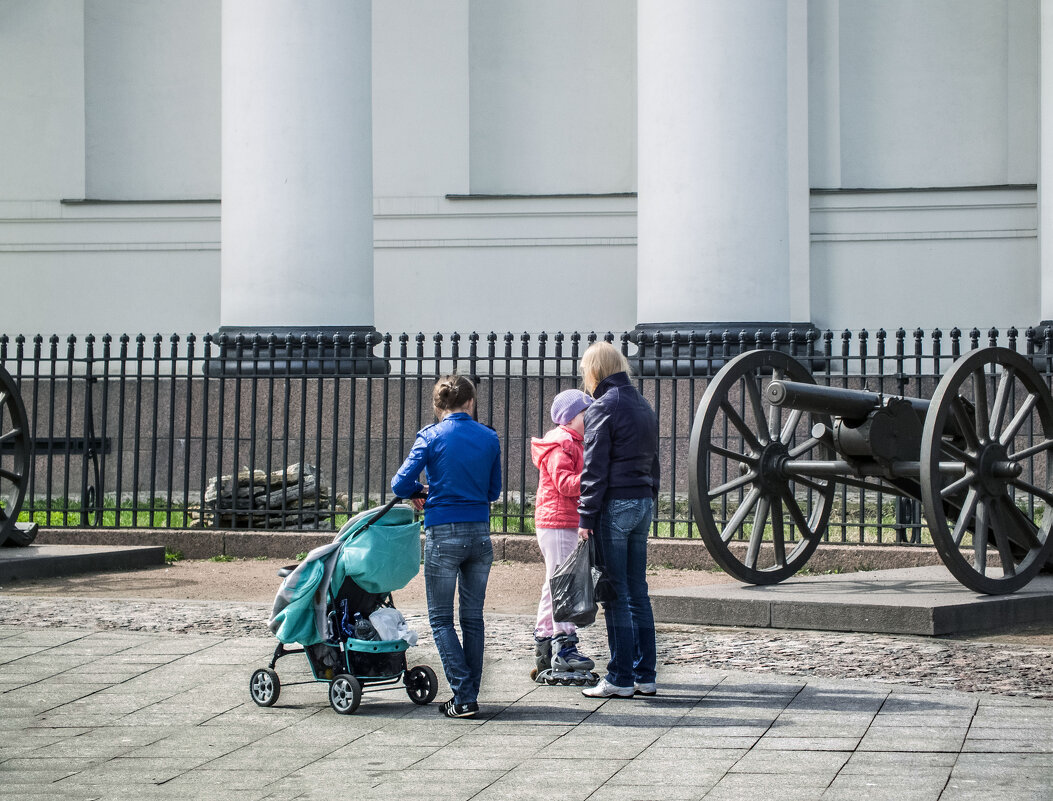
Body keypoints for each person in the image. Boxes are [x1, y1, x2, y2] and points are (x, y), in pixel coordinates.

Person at [391, 374, 501, 718]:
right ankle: (470, 693)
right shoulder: (489, 437)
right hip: (479, 532)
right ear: (471, 402)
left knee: (441, 620)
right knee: (473, 619)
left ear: (439, 405)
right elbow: (493, 492)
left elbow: (400, 482)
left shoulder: (430, 435)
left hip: (443, 531)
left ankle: (464, 695)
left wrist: (422, 492)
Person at [576, 341, 660, 699]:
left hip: (616, 505)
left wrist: (585, 516)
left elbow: (594, 469)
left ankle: (620, 677)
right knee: (638, 591)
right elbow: (653, 459)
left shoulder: (603, 407)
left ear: (594, 370)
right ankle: (646, 674)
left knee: (616, 594)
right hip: (642, 501)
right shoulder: (643, 404)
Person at [529, 389, 596, 683]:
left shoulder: (574, 441)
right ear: (570, 418)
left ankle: (545, 640)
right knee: (564, 585)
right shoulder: (561, 444)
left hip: (561, 520)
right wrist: (593, 478)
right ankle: (564, 644)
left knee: (553, 583)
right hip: (558, 522)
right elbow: (565, 484)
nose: (591, 419)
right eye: (586, 414)